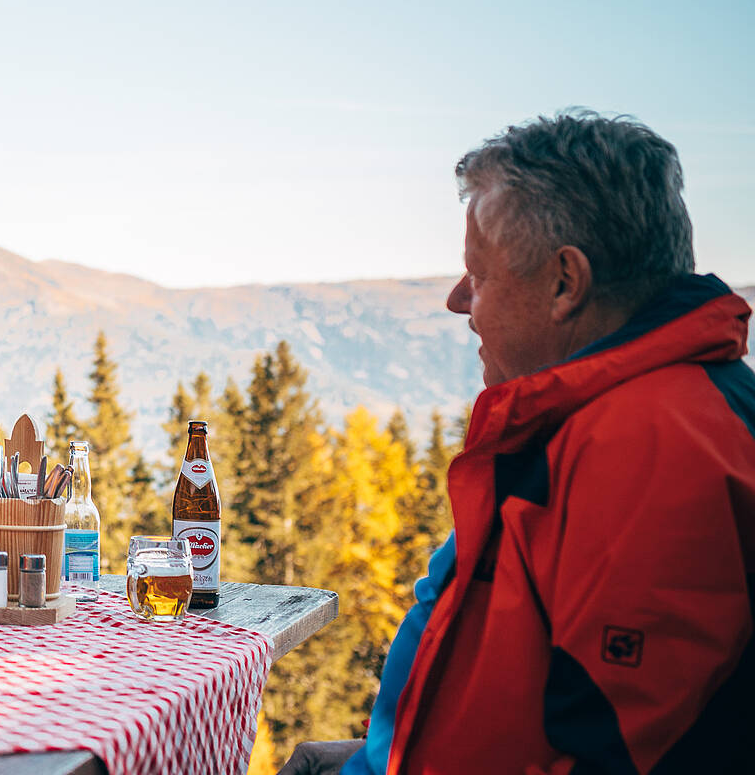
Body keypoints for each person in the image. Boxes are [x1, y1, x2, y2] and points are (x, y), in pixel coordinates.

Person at [280, 111, 755, 774]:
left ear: (566, 282)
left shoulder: (648, 445)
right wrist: (385, 758)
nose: (457, 300)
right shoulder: (606, 420)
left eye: (478, 274)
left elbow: (616, 756)